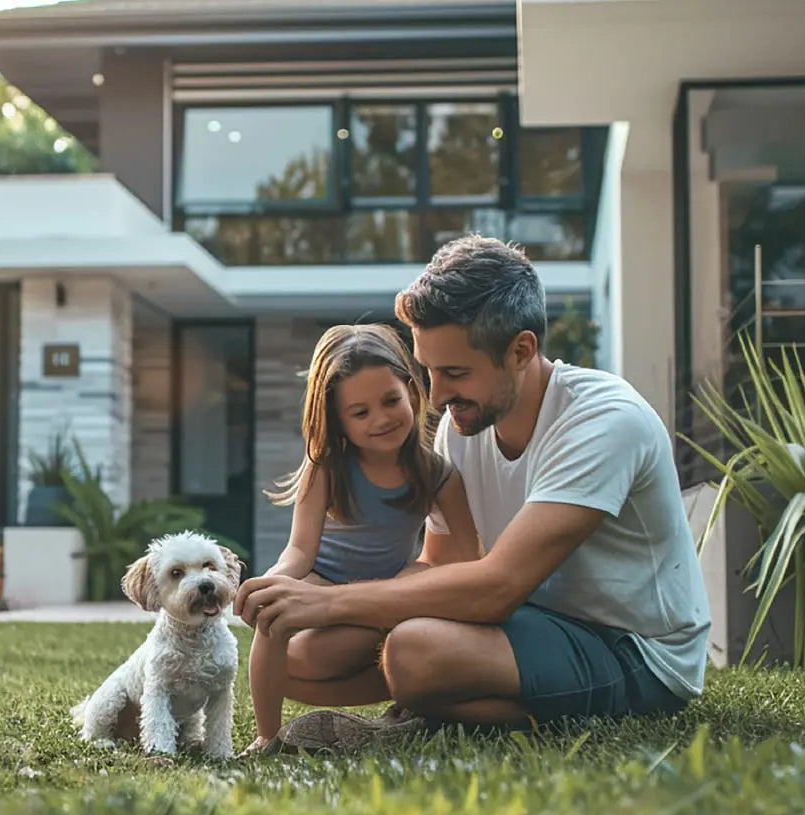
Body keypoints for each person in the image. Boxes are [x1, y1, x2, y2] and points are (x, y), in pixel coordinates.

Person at [235, 235, 711, 754]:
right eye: (428, 370)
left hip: (632, 650)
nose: (435, 396)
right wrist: (317, 609)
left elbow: (497, 585)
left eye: (455, 373)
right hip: (531, 625)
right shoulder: (462, 427)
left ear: (521, 350)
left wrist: (328, 603)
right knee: (302, 662)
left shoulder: (603, 422)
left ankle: (448, 712)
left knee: (413, 648)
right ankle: (440, 700)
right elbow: (440, 563)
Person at [240, 323, 480, 758]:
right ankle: (266, 736)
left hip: (383, 595)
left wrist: (411, 583)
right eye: (360, 412)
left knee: (322, 655)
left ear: (411, 390)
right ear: (339, 420)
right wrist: (276, 580)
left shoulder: (438, 475)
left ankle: (414, 703)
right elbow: (299, 550)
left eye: (390, 400)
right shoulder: (328, 466)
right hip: (321, 580)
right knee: (281, 625)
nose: (382, 419)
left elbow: (463, 559)